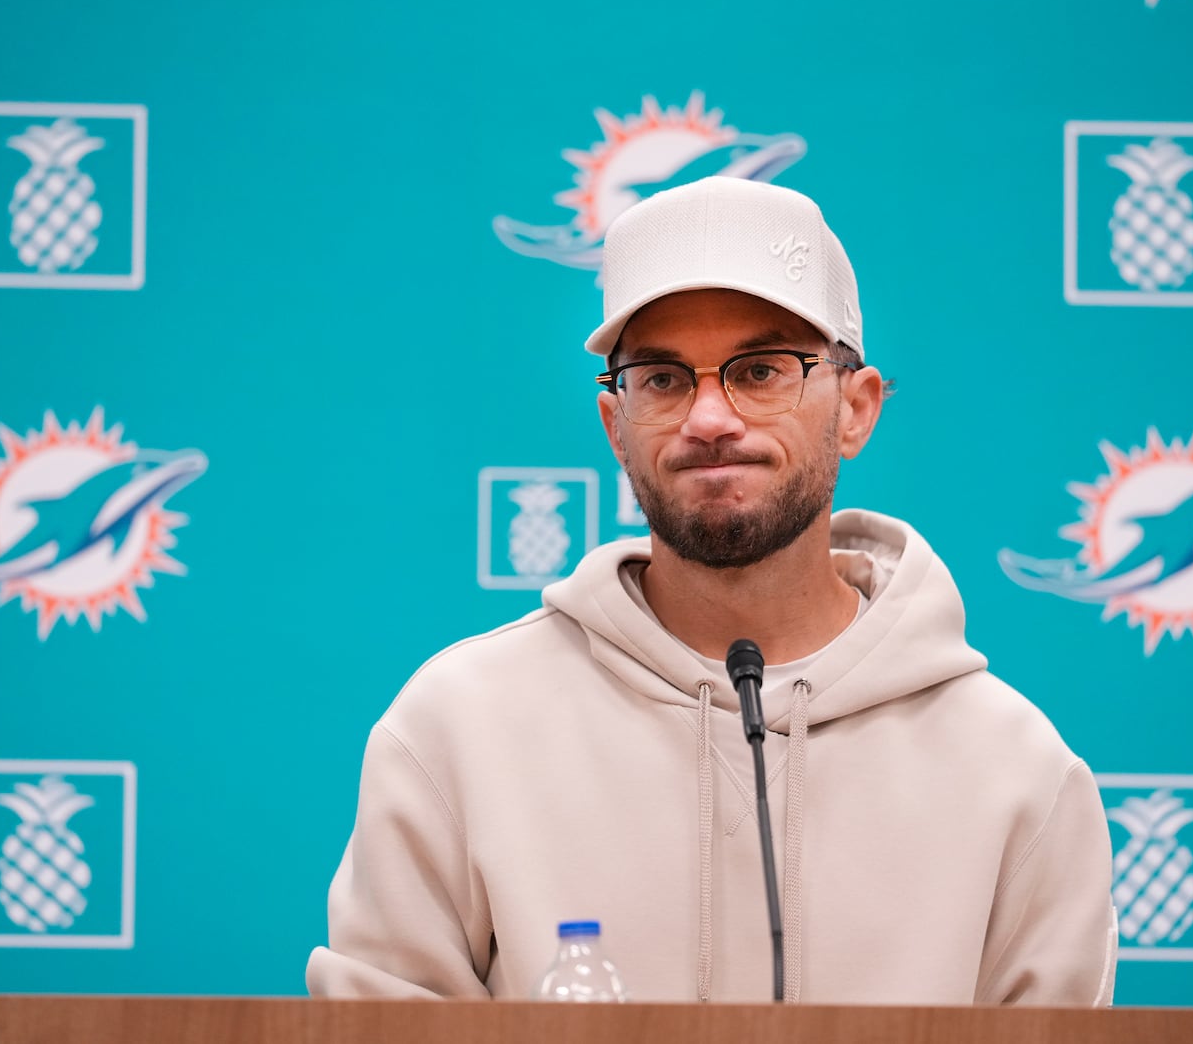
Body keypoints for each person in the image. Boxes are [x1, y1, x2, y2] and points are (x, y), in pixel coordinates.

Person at [306, 175, 1118, 1005]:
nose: (708, 418)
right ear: (615, 427)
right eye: (660, 379)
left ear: (856, 409)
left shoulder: (1016, 771)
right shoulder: (456, 727)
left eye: (761, 370)